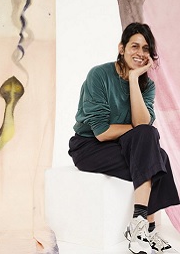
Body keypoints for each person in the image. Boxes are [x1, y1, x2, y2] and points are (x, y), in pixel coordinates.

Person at [68, 22, 180, 254]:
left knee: (152, 148)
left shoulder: (146, 85)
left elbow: (143, 126)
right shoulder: (99, 75)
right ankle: (147, 227)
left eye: (146, 49)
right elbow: (102, 132)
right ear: (122, 48)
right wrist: (136, 129)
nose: (140, 53)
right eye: (134, 46)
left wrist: (133, 80)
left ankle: (139, 225)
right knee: (156, 157)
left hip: (123, 144)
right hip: (89, 147)